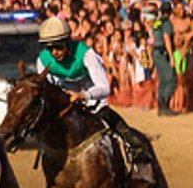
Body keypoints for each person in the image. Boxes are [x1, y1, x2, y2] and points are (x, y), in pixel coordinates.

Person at [38, 14, 153, 177]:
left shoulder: (87, 54)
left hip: (93, 106)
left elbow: (104, 88)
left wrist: (83, 95)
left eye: (58, 46)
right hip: (65, 110)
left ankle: (140, 163)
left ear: (68, 42)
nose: (54, 52)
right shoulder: (42, 60)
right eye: (50, 48)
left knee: (126, 133)